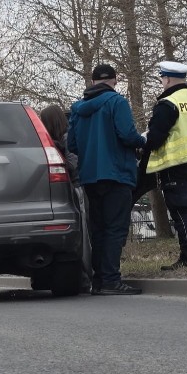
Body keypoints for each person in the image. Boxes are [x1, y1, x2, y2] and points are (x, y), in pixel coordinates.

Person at [67, 64, 147, 295]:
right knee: (115, 228)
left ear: (92, 82)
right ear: (114, 80)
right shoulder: (117, 102)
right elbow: (127, 135)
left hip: (90, 176)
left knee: (98, 228)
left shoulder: (77, 109)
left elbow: (72, 145)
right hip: (116, 174)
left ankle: (99, 280)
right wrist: (142, 142)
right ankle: (112, 280)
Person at [143, 61, 187, 270]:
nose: (162, 83)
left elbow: (155, 138)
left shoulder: (168, 104)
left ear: (168, 79)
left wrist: (143, 141)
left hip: (176, 166)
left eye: (162, 79)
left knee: (182, 212)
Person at [41, 105, 92, 291]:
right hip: (75, 188)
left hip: (77, 188)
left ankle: (87, 278)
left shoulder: (66, 138)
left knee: (84, 237)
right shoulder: (67, 136)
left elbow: (73, 163)